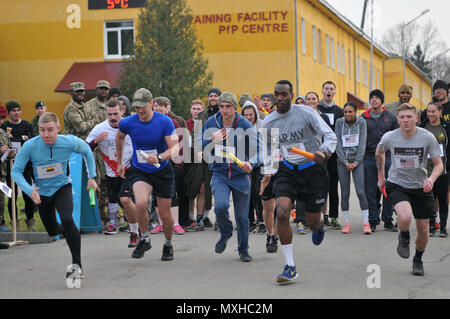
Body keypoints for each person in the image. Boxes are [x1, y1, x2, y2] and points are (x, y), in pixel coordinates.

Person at [260, 80, 337, 283]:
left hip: (314, 171)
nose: (279, 98)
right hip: (288, 171)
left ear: (291, 96)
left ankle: (318, 226)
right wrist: (268, 171)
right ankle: (290, 266)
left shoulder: (306, 113)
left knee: (312, 221)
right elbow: (267, 149)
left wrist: (323, 151)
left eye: (284, 94)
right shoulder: (269, 122)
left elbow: (330, 136)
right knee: (283, 211)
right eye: (276, 94)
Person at [11, 112, 97, 283]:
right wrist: (29, 190)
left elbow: (87, 149)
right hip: (41, 194)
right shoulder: (30, 145)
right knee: (52, 231)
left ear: (58, 129)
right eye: (42, 130)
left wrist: (92, 176)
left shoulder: (69, 142)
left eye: (50, 130)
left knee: (67, 219)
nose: (46, 134)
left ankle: (77, 265)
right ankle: (71, 233)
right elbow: (16, 170)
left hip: (62, 187)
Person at [377, 103, 443, 276]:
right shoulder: (390, 137)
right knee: (405, 216)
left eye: (409, 117)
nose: (405, 120)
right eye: (401, 117)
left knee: (423, 230)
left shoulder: (427, 137)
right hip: (397, 183)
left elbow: (438, 165)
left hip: (421, 186)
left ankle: (418, 259)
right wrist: (381, 176)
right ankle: (404, 235)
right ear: (397, 119)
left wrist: (431, 178)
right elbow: (379, 152)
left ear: (416, 118)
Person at [115, 88, 179, 261]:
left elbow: (174, 148)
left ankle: (168, 244)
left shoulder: (164, 121)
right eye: (136, 108)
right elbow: (119, 137)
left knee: (164, 214)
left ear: (151, 104)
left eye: (143, 107)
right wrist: (120, 161)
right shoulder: (128, 122)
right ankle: (145, 238)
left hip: (162, 170)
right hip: (140, 170)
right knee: (141, 203)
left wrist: (158, 157)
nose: (140, 111)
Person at [201, 92, 260, 262]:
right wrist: (212, 139)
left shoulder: (244, 124)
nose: (224, 110)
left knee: (242, 217)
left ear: (235, 108)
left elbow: (257, 150)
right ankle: (226, 231)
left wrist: (252, 163)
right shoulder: (212, 123)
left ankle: (243, 250)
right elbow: (200, 147)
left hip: (240, 175)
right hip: (219, 173)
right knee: (220, 206)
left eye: (228, 106)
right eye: (221, 106)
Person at [86, 100, 139, 246]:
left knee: (125, 199)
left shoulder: (130, 125)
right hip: (111, 171)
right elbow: (85, 148)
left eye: (115, 113)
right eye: (109, 114)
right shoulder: (99, 128)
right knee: (114, 198)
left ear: (122, 111)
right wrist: (96, 141)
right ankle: (115, 224)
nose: (113, 117)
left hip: (130, 169)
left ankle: (134, 231)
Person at [361, 89, 399, 233]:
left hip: (388, 158)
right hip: (369, 159)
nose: (374, 100)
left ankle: (388, 220)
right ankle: (372, 220)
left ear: (382, 101)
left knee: (388, 190)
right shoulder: (363, 117)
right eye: (372, 98)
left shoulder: (390, 117)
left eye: (377, 98)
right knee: (370, 191)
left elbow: (397, 137)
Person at [295, 91, 332, 234]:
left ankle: (319, 217)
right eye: (308, 99)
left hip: (318, 157)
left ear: (318, 101)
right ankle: (300, 221)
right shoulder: (299, 118)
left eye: (313, 99)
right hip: (301, 157)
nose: (310, 101)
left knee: (318, 189)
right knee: (300, 188)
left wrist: (325, 151)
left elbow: (328, 136)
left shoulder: (322, 117)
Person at [188, 88, 222, 229]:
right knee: (202, 188)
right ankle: (200, 218)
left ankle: (220, 219)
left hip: (221, 154)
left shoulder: (224, 113)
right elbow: (197, 135)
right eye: (211, 96)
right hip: (204, 156)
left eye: (215, 96)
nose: (213, 98)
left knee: (220, 188)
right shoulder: (202, 115)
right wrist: (199, 151)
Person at [335, 102, 370, 234]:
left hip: (358, 162)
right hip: (342, 162)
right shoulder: (339, 122)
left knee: (361, 192)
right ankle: (347, 223)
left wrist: (355, 162)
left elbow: (362, 143)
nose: (348, 114)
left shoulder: (361, 122)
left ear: (355, 112)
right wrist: (344, 161)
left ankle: (366, 222)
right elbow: (337, 141)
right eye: (345, 112)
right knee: (345, 193)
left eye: (350, 112)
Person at [152, 97, 185, 235]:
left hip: (171, 163)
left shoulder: (173, 123)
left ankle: (175, 223)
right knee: (156, 194)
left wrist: (179, 161)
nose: (158, 108)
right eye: (156, 106)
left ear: (167, 108)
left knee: (172, 193)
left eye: (161, 106)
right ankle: (160, 224)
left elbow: (180, 143)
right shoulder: (149, 122)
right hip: (153, 163)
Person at [1, 100, 36, 231]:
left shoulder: (27, 124)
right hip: (10, 165)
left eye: (18, 110)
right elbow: (5, 143)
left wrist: (23, 140)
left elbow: (33, 141)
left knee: (28, 193)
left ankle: (30, 221)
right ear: (9, 113)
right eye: (13, 111)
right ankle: (15, 223)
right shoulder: (4, 126)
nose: (16, 113)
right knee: (12, 195)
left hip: (26, 165)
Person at [420, 101, 450, 238]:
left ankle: (443, 227)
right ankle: (432, 225)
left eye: (433, 111)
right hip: (426, 170)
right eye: (428, 112)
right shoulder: (422, 127)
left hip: (442, 170)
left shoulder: (446, 128)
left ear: (440, 112)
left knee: (443, 199)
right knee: (429, 199)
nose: (430, 114)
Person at [317, 81, 344, 230]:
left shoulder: (339, 111)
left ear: (334, 92)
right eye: (326, 88)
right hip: (318, 153)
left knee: (333, 187)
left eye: (331, 89)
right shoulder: (316, 109)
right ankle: (319, 216)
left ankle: (334, 217)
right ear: (322, 91)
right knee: (318, 186)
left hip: (333, 155)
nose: (328, 91)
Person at [86, 80, 111, 228]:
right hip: (95, 148)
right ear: (96, 89)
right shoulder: (89, 106)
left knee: (107, 180)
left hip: (107, 149)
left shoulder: (109, 105)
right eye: (101, 88)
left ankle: (108, 211)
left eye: (105, 89)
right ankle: (99, 213)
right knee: (98, 179)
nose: (103, 91)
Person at [241, 101, 265, 234]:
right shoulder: (240, 126)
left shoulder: (262, 125)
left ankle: (262, 221)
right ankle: (249, 221)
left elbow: (264, 146)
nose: (249, 117)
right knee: (247, 194)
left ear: (255, 113)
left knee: (258, 193)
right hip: (245, 164)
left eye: (251, 114)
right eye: (246, 115)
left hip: (260, 164)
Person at [184, 100, 206, 231]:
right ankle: (190, 217)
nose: (196, 111)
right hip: (188, 159)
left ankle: (200, 218)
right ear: (190, 110)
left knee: (202, 189)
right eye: (194, 108)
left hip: (202, 160)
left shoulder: (204, 123)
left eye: (199, 109)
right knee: (190, 190)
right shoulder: (186, 125)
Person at [0, 105, 13, 232]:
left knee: (1, 201)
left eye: (3, 118)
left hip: (1, 172)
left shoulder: (3, 133)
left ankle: (1, 223)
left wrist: (10, 152)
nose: (1, 121)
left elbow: (9, 146)